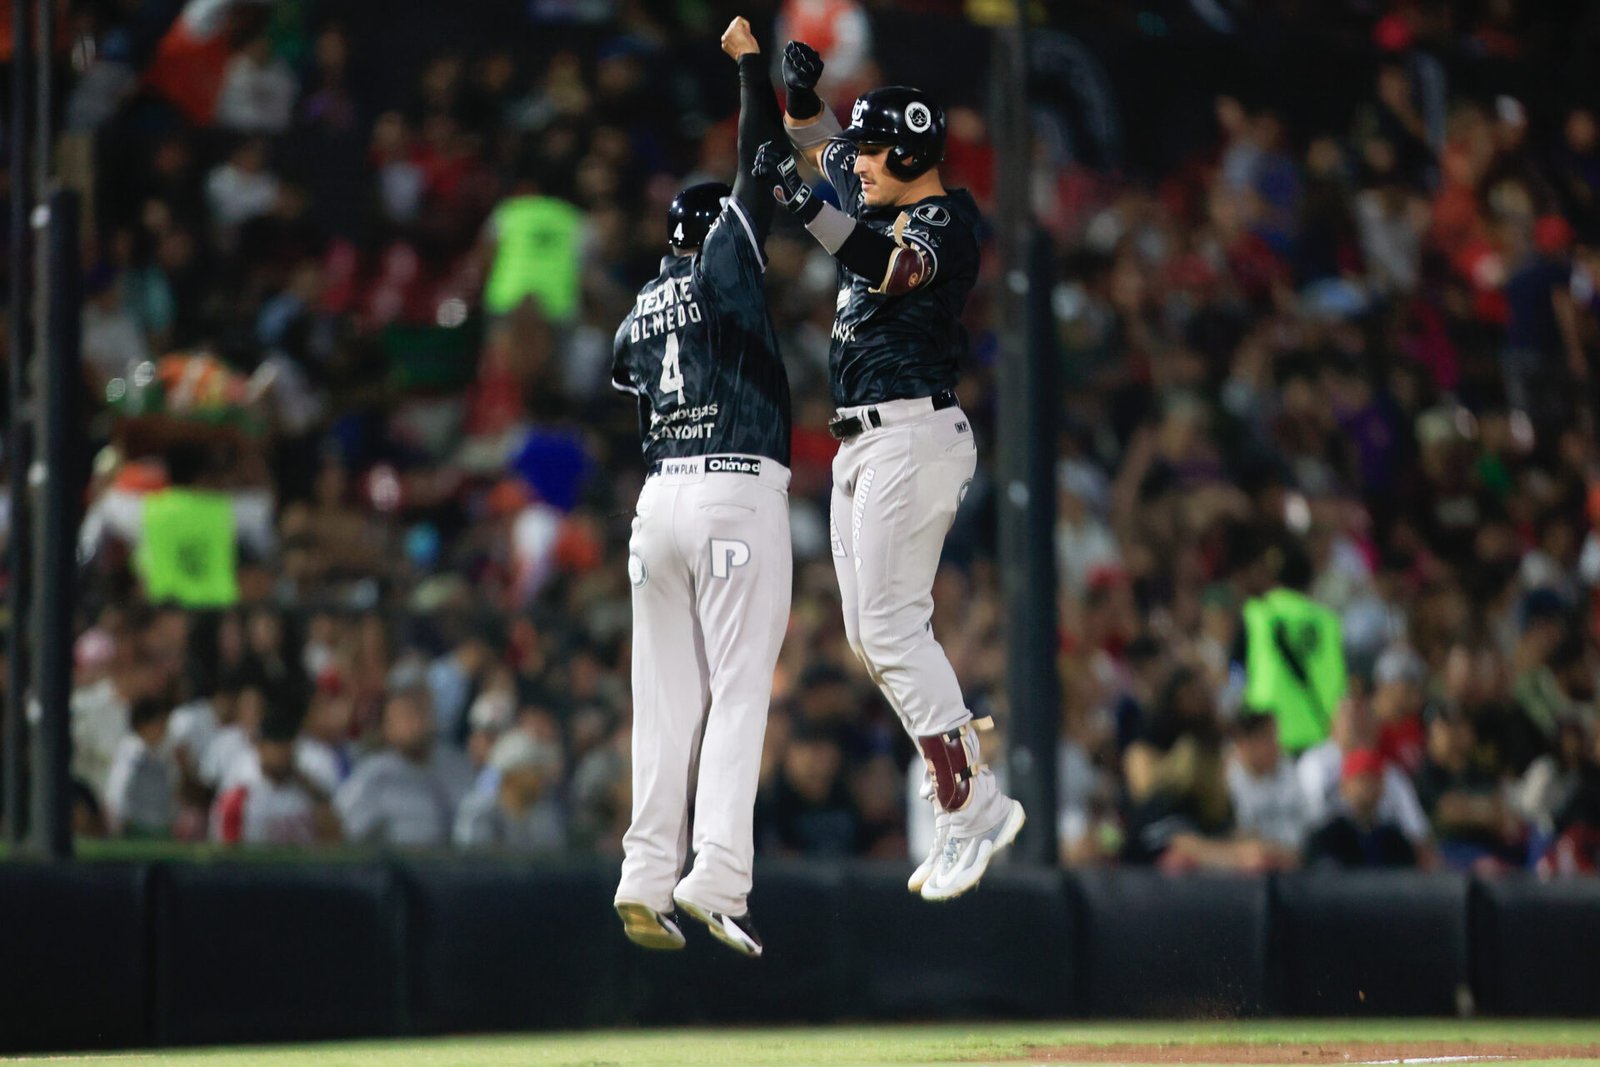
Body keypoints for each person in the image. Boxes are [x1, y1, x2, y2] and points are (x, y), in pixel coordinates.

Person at [765, 40, 1023, 901]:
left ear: (912, 155)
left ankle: (970, 801)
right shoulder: (872, 185)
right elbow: (819, 145)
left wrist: (805, 206)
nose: (861, 162)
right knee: (871, 636)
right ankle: (964, 790)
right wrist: (801, 98)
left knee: (889, 626)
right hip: (866, 441)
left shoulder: (946, 220)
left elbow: (893, 267)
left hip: (912, 430)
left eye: (877, 151)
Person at [609, 17, 791, 959]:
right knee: (739, 691)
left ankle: (643, 875)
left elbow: (630, 382)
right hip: (732, 488)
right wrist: (753, 72)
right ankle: (715, 873)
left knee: (665, 704)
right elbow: (759, 159)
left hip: (658, 504)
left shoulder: (642, 305)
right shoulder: (727, 257)